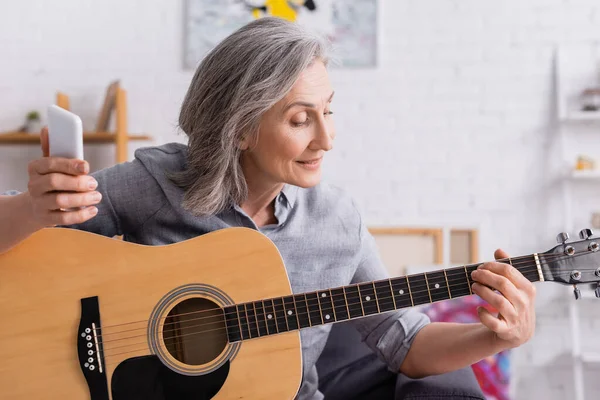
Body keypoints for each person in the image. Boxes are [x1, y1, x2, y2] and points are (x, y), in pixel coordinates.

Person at [0, 17, 536, 400]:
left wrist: (494, 336)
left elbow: (406, 342)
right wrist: (34, 207)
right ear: (240, 127)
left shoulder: (336, 222)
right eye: (301, 119)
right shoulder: (157, 183)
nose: (326, 139)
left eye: (328, 112)